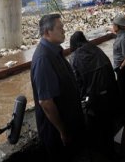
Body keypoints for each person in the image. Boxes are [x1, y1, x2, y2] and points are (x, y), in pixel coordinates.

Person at [30, 14, 85, 161]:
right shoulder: (43, 59)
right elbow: (46, 102)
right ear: (48, 32)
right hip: (56, 132)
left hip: (70, 121)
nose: (64, 31)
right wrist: (63, 131)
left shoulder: (55, 51)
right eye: (60, 28)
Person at [69, 31, 119, 158]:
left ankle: (102, 153)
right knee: (109, 126)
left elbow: (77, 82)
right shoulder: (96, 49)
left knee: (96, 130)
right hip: (110, 93)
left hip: (93, 99)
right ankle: (111, 151)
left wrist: (81, 99)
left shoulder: (74, 57)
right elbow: (109, 69)